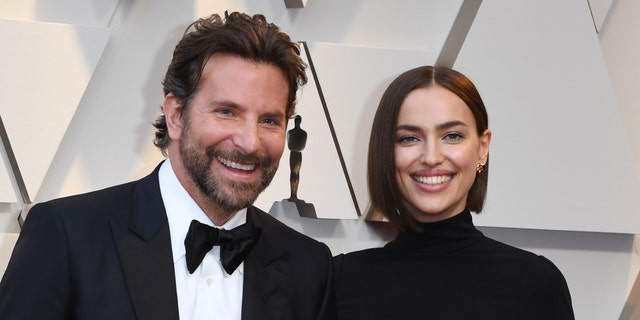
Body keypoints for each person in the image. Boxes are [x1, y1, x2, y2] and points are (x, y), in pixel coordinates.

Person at [0, 11, 335, 320]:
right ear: (175, 116)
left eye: (269, 120)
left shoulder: (309, 267)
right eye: (226, 111)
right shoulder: (67, 236)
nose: (249, 142)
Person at [334, 66, 574, 319]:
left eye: (452, 136)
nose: (431, 157)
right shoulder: (341, 280)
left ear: (483, 148)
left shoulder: (534, 282)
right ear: (386, 150)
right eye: (409, 138)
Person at [287, 115, 308, 200]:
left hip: (297, 154)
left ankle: (294, 194)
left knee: (295, 173)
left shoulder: (302, 133)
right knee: (293, 173)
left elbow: (301, 147)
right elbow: (290, 146)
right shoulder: (291, 132)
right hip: (294, 154)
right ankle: (293, 194)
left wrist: (295, 146)